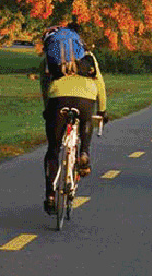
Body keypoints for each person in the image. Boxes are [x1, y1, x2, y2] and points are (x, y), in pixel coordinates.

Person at [39, 23, 107, 214]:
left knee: (53, 149)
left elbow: (45, 87)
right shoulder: (88, 56)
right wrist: (102, 110)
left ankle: (51, 195)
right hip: (85, 100)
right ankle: (84, 153)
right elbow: (100, 84)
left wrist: (48, 109)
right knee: (86, 120)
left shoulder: (49, 58)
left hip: (58, 100)